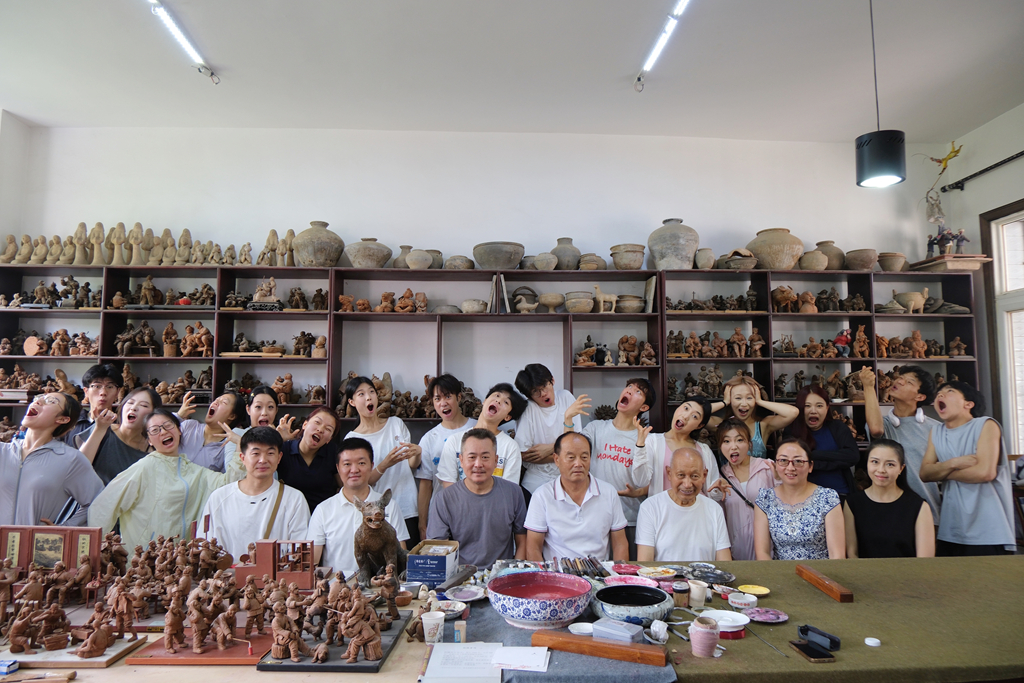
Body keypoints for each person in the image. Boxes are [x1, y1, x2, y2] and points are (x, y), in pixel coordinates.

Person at [87, 409, 243, 549]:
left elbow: (229, 485)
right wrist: (100, 550)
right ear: (149, 440)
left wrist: (239, 446)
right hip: (144, 562)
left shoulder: (194, 471)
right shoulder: (143, 467)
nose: (163, 432)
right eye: (155, 430)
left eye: (168, 425)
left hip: (181, 562)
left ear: (179, 430)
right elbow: (103, 506)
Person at [920, 382, 1015, 555]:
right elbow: (925, 474)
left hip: (988, 529)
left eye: (949, 391)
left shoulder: (985, 425)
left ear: (968, 404)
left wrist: (941, 472)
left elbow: (985, 473)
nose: (940, 395)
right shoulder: (936, 431)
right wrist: (953, 463)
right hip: (951, 528)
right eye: (938, 393)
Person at [564, 378, 654, 557]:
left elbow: (650, 481)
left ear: (644, 407)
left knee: (626, 569)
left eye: (638, 391)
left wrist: (637, 492)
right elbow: (571, 450)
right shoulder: (596, 428)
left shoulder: (646, 439)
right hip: (595, 516)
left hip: (630, 518)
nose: (629, 391)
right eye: (629, 387)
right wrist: (568, 419)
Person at [201, 427, 311, 560]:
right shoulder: (219, 498)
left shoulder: (294, 499)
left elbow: (299, 551)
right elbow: (204, 546)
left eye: (270, 453)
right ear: (242, 458)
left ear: (279, 458)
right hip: (226, 572)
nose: (263, 460)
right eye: (256, 453)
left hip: (277, 573)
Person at [307, 437, 409, 578]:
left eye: (361, 463)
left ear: (372, 466)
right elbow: (312, 562)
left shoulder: (390, 506)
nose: (354, 470)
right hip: (337, 586)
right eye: (347, 464)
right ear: (338, 468)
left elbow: (399, 555)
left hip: (380, 586)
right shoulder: (323, 510)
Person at [427, 429, 527, 567]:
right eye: (472, 457)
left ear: (496, 460)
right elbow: (438, 549)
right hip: (460, 575)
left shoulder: (514, 493)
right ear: (461, 460)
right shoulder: (444, 499)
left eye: (485, 457)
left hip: (503, 574)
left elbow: (523, 541)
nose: (478, 464)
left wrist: (513, 572)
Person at [0, 392, 103, 526]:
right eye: (39, 398)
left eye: (51, 401)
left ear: (63, 419)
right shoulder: (2, 451)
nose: (38, 401)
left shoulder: (70, 459)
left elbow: (98, 502)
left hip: (33, 539)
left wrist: (65, 529)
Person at [524, 432, 628, 562]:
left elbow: (620, 544)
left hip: (599, 571)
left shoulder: (609, 492)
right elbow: (533, 548)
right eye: (571, 457)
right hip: (557, 572)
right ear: (556, 459)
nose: (578, 464)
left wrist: (618, 573)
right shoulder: (542, 496)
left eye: (584, 457)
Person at [343, 377, 422, 545]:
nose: (369, 397)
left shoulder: (396, 424)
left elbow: (412, 465)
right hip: (376, 513)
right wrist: (385, 464)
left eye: (372, 392)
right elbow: (361, 482)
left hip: (406, 506)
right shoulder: (352, 439)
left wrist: (417, 453)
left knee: (408, 557)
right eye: (361, 394)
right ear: (351, 402)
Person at [861, 365, 942, 523]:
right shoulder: (883, 423)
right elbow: (876, 430)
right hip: (890, 515)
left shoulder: (936, 429)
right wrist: (868, 387)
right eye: (900, 378)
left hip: (928, 513)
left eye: (909, 382)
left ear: (920, 396)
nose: (899, 381)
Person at [754, 438, 845, 560]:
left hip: (820, 571)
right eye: (783, 461)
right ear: (775, 465)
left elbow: (837, 555)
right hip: (779, 571)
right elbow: (762, 553)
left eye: (798, 461)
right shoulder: (765, 499)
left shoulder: (828, 498)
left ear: (810, 466)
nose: (790, 468)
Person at [636, 448, 732, 562]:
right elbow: (645, 564)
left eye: (694, 476)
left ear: (704, 475)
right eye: (681, 475)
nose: (687, 484)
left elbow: (724, 563)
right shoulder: (650, 507)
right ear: (669, 473)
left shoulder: (714, 510)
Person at [844, 439, 935, 558]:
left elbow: (925, 560)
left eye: (890, 464)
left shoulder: (919, 506)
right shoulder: (853, 503)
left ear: (901, 468)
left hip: (908, 570)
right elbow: (852, 553)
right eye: (875, 462)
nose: (881, 470)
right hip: (862, 570)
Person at [513, 364, 583, 504]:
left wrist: (549, 449)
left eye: (545, 386)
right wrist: (563, 455)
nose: (543, 394)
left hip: (567, 475)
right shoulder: (528, 409)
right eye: (535, 391)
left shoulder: (566, 397)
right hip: (536, 478)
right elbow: (525, 455)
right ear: (529, 395)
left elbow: (577, 444)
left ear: (552, 380)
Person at [415, 375, 473, 539]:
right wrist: (422, 524)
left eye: (448, 396)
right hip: (441, 514)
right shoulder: (429, 439)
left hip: (474, 510)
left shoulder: (478, 429)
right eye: (437, 398)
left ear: (459, 397)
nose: (443, 403)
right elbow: (426, 484)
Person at [437, 383, 525, 488]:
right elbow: (448, 484)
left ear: (507, 417)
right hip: (459, 498)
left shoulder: (510, 447)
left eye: (506, 402)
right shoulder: (454, 441)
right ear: (485, 401)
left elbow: (509, 489)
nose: (498, 401)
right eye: (497, 395)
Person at [716, 418, 777, 561]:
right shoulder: (721, 477)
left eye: (739, 440)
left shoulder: (767, 468)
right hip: (737, 552)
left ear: (749, 444)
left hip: (770, 552)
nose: (733, 446)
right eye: (726, 441)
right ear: (720, 446)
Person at [783, 385, 859, 501]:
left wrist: (813, 456)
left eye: (819, 406)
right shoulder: (791, 432)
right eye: (807, 406)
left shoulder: (838, 427)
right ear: (800, 408)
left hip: (840, 494)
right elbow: (791, 463)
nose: (813, 411)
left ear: (827, 408)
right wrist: (835, 460)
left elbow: (853, 456)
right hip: (804, 498)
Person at [76, 386, 160, 484]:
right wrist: (99, 429)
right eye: (130, 402)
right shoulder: (102, 428)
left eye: (144, 405)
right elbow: (78, 468)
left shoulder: (152, 449)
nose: (133, 408)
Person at [645, 398, 724, 498]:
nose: (686, 416)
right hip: (663, 507)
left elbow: (713, 493)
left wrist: (718, 489)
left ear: (699, 426)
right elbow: (641, 481)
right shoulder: (652, 442)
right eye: (686, 408)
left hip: (696, 506)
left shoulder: (704, 451)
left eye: (694, 416)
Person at [707, 375, 798, 458]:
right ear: (730, 400)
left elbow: (792, 412)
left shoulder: (763, 426)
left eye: (749, 398)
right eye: (738, 398)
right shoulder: (721, 425)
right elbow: (699, 413)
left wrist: (760, 401)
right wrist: (725, 402)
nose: (744, 403)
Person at [277, 407, 341, 513]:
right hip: (288, 515)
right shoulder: (284, 450)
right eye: (317, 422)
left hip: (323, 516)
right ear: (305, 424)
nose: (320, 429)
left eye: (328, 429)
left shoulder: (333, 453)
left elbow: (345, 486)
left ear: (329, 439)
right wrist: (277, 441)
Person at [222, 386, 296, 473]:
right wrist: (241, 442)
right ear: (248, 409)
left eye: (270, 407)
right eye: (258, 407)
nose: (264, 413)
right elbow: (230, 472)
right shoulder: (237, 434)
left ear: (276, 410)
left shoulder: (279, 436)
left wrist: (283, 443)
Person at [176, 390, 248, 472]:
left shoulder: (228, 447)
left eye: (224, 402)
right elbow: (164, 436)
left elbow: (232, 475)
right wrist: (178, 416)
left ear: (232, 416)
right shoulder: (189, 426)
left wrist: (239, 442)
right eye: (216, 399)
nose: (216, 402)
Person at [62, 363, 123, 446]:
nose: (103, 392)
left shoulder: (122, 424)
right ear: (86, 391)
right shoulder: (71, 421)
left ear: (117, 392)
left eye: (109, 387)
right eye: (97, 386)